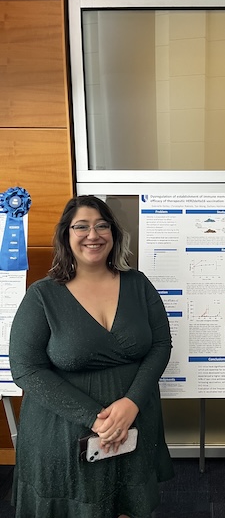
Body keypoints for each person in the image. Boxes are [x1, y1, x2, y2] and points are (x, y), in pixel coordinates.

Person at [9, 195, 173, 518]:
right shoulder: (42, 295)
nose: (93, 235)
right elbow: (26, 369)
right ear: (66, 236)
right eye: (81, 227)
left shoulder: (138, 285)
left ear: (113, 234)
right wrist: (95, 418)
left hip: (133, 423)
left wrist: (132, 404)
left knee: (129, 506)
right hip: (64, 434)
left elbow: (161, 345)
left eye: (102, 226)